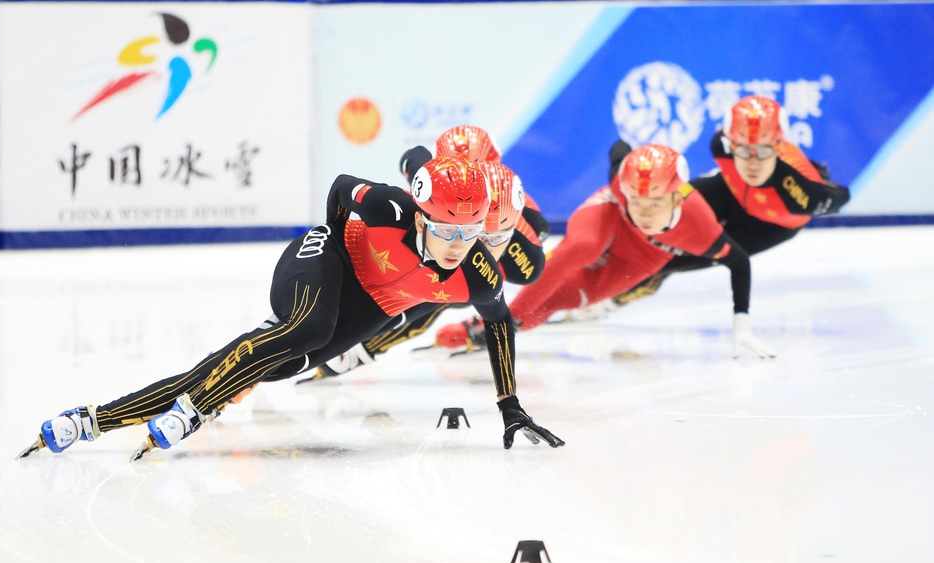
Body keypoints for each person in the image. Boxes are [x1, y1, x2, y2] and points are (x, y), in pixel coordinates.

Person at [18, 156, 565, 461]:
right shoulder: (388, 207)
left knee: (275, 362)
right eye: (444, 228)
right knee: (307, 326)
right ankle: (197, 408)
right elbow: (341, 185)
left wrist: (509, 403)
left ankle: (90, 421)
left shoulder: (478, 274)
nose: (457, 243)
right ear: (420, 217)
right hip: (326, 260)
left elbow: (499, 326)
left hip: (369, 305)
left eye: (469, 232)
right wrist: (331, 233)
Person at [307, 127, 549, 379]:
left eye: (481, 176)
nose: (467, 193)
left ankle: (367, 347)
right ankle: (364, 344)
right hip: (458, 239)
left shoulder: (515, 215)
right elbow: (412, 157)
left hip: (512, 254)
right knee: (427, 282)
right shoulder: (431, 177)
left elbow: (538, 231)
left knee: (444, 292)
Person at [508, 143, 773, 359]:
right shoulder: (621, 186)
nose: (644, 213)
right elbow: (618, 148)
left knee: (565, 298)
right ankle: (506, 322)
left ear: (677, 199)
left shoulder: (701, 229)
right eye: (636, 200)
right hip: (611, 215)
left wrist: (742, 323)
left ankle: (482, 331)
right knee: (582, 247)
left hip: (646, 255)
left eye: (655, 204)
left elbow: (739, 262)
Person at [605, 95, 851, 307]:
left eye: (763, 151)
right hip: (729, 191)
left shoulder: (801, 196)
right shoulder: (720, 146)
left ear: (778, 147)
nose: (753, 163)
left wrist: (819, 182)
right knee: (661, 213)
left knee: (671, 258)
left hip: (767, 227)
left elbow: (843, 196)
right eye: (742, 150)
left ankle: (609, 301)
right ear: (730, 143)